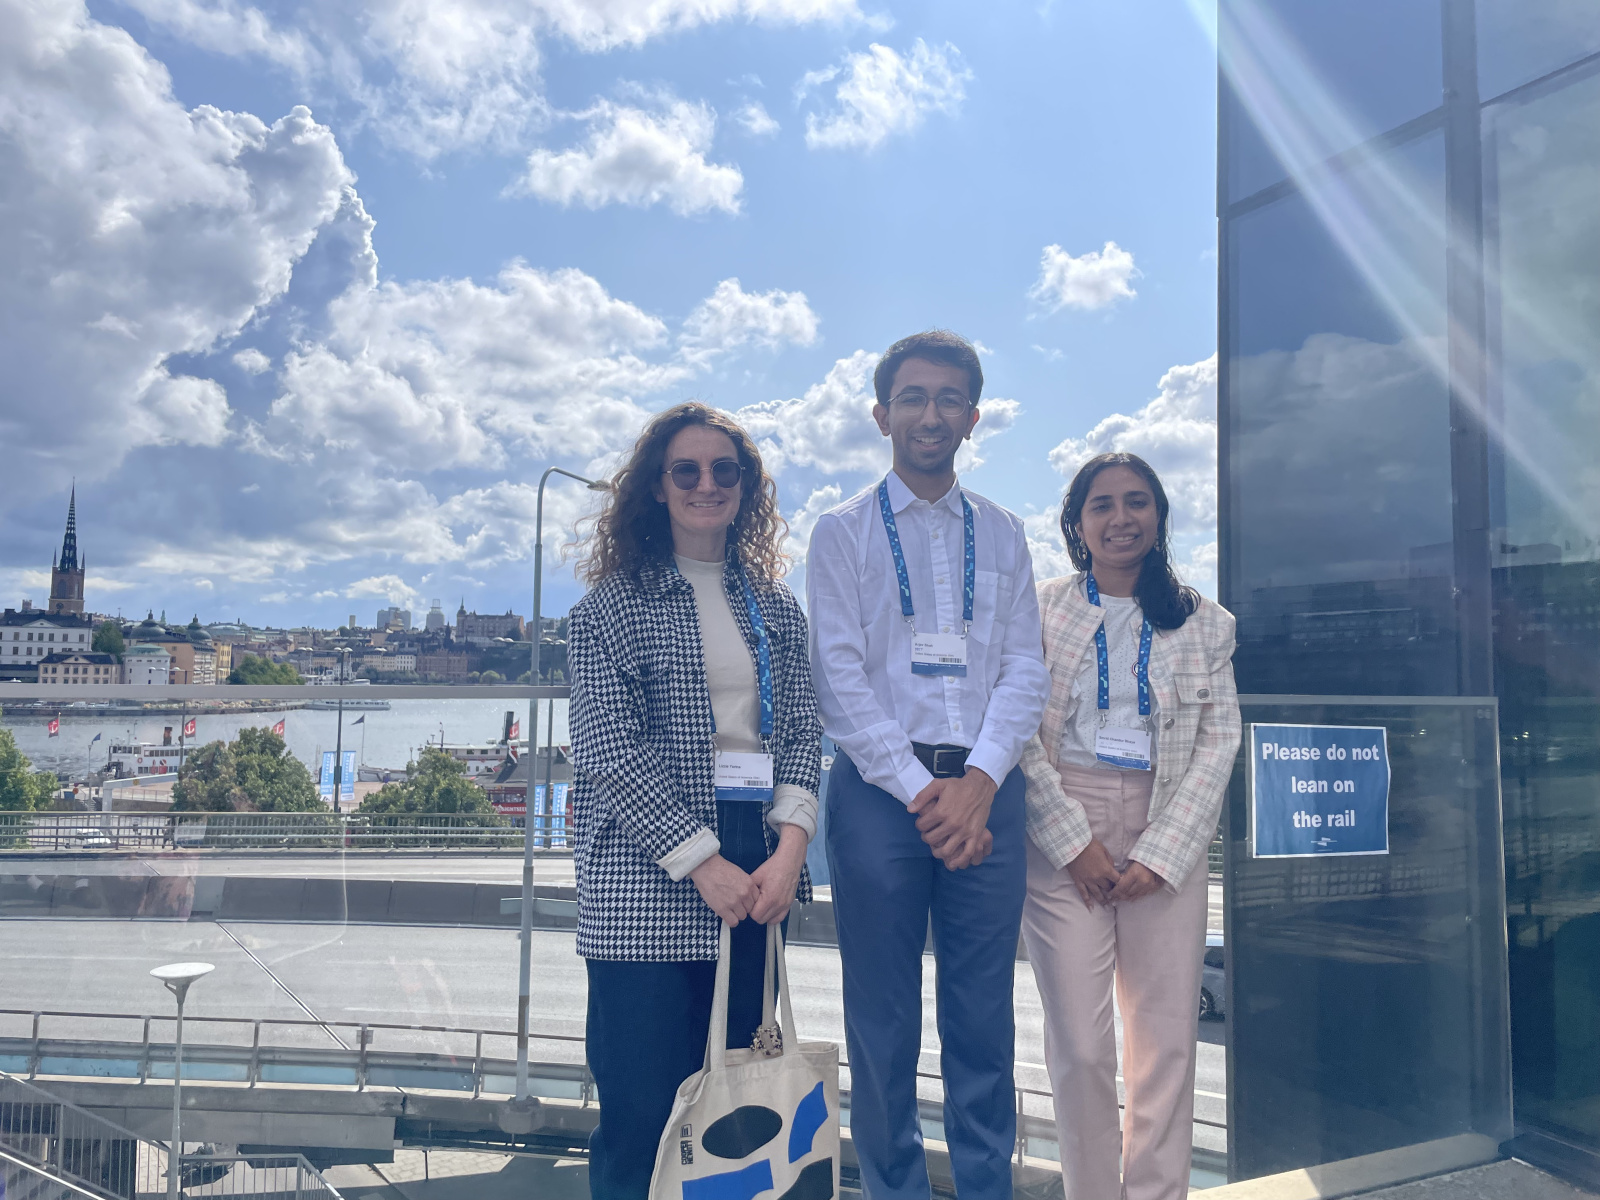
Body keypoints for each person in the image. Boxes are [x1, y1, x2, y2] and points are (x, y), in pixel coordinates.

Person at [807, 330, 1050, 1200]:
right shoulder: (841, 533)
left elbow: (1026, 668)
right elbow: (837, 679)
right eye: (912, 397)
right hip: (881, 798)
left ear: (973, 417)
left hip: (990, 794)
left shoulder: (1005, 533)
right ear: (882, 415)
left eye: (950, 398)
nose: (930, 414)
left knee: (983, 1019)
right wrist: (926, 796)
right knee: (882, 1023)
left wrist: (978, 784)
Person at [568, 402, 822, 1200]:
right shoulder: (611, 607)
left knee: (736, 1110)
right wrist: (701, 861)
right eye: (686, 469)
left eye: (724, 470)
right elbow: (609, 748)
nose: (706, 484)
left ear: (746, 487)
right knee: (644, 1115)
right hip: (648, 872)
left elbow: (803, 731)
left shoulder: (775, 607)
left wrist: (791, 848)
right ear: (656, 486)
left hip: (759, 864)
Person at [1020, 452, 1241, 1200]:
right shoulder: (1039, 610)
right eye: (1103, 505)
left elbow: (1219, 743)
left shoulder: (1207, 623)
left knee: (1165, 1041)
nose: (1122, 518)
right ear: (1077, 523)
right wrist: (1071, 842)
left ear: (1160, 515)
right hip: (1064, 826)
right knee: (1082, 1047)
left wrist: (1162, 853)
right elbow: (1017, 731)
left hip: (1165, 819)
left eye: (1137, 501)